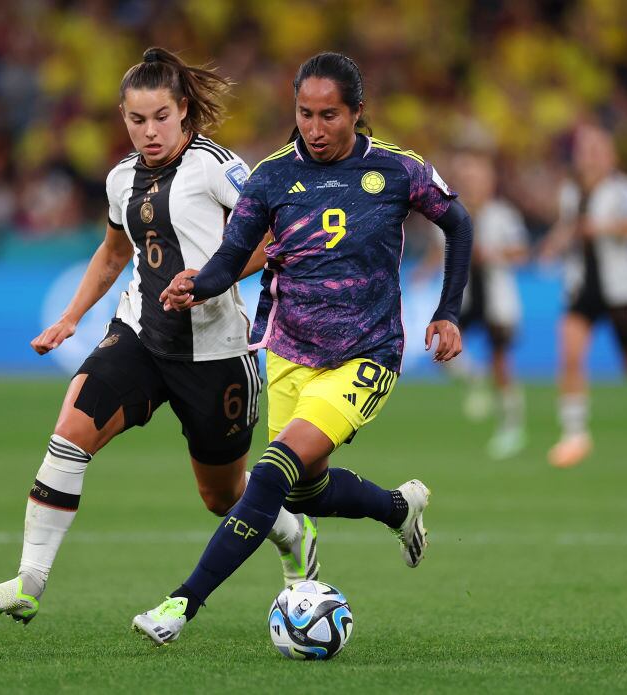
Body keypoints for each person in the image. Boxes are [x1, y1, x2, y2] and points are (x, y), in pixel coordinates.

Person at [132, 52, 472, 645]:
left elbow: (459, 223)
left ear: (357, 113)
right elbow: (233, 256)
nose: (314, 129)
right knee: (303, 488)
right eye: (305, 114)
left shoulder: (396, 171)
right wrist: (198, 285)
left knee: (268, 475)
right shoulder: (271, 177)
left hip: (366, 354)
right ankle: (398, 509)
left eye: (329, 116)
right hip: (288, 352)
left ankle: (181, 605)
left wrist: (447, 312)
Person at [0, 48, 317, 625]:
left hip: (214, 352)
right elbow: (113, 253)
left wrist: (212, 280)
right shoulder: (120, 179)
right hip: (139, 333)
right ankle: (28, 582)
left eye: (160, 117)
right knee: (71, 430)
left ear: (184, 111)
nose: (149, 131)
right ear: (123, 118)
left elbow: (273, 236)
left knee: (223, 497)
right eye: (137, 120)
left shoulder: (217, 167)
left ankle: (292, 533)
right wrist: (72, 317)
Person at [540, 123, 627, 468]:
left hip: (620, 289)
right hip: (583, 285)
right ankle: (575, 435)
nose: (588, 157)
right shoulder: (571, 191)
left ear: (610, 156)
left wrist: (605, 229)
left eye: (596, 149)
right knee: (570, 353)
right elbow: (569, 226)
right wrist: (552, 245)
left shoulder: (623, 190)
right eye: (584, 150)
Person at [450, 150, 529, 460]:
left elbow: (521, 254)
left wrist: (491, 254)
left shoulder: (503, 214)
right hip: (466, 296)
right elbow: (440, 248)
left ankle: (512, 426)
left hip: (497, 298)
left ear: (489, 182)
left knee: (501, 363)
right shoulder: (452, 213)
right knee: (444, 353)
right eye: (466, 180)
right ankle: (475, 380)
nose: (471, 185)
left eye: (476, 179)